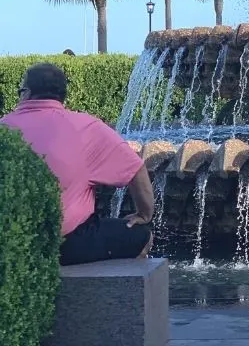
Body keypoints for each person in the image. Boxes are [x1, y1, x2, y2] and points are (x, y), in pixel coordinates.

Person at [0, 62, 155, 265]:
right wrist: (144, 214)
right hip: (67, 244)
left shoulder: (4, 126)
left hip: (8, 242)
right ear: (62, 96)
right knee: (142, 236)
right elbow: (136, 168)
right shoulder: (85, 127)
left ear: (27, 93)